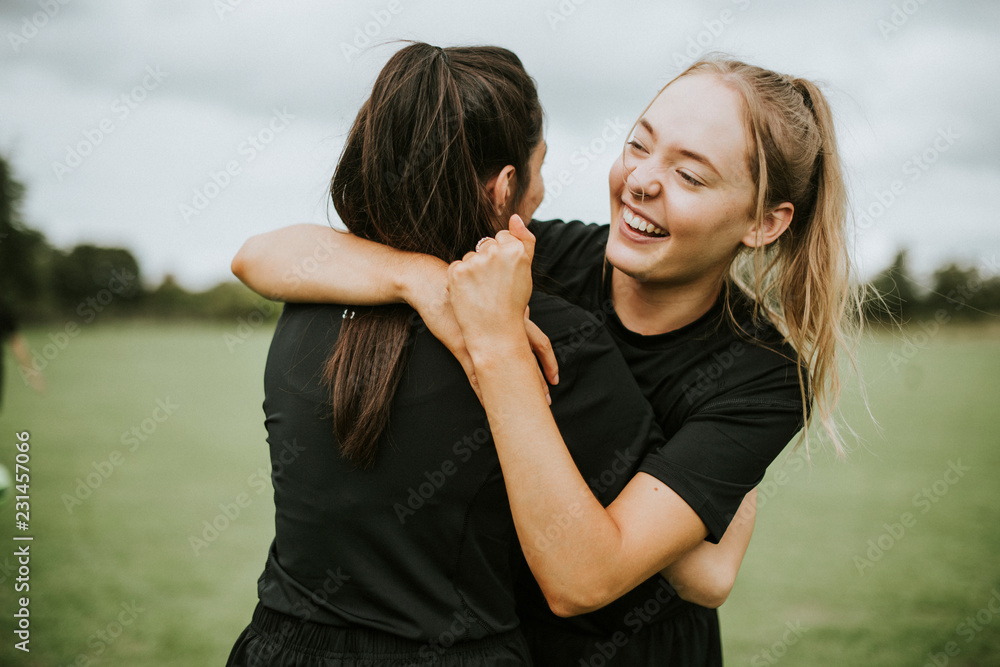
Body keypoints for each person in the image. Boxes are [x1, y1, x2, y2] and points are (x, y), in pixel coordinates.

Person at [233, 55, 858, 665]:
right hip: (509, 632)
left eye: (691, 176)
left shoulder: (759, 373)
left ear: (765, 222)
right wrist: (419, 279)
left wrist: (502, 347)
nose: (641, 180)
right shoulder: (540, 257)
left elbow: (701, 574)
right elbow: (262, 257)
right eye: (639, 146)